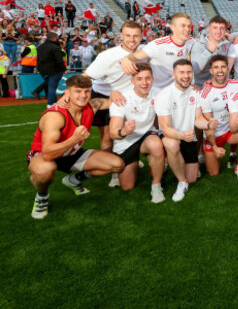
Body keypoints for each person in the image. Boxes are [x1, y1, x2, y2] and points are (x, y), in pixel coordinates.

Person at [27, 75, 125, 219]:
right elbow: (47, 154)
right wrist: (74, 139)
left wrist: (114, 93)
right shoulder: (55, 116)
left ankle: (74, 180)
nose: (83, 96)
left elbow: (112, 101)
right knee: (44, 171)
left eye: (87, 91)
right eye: (77, 91)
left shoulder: (91, 106)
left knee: (118, 165)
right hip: (45, 155)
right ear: (67, 92)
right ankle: (42, 196)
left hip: (72, 153)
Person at [84, 21, 144, 186]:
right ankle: (113, 170)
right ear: (121, 36)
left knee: (130, 132)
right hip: (105, 97)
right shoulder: (107, 56)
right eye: (128, 36)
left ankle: (129, 158)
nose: (132, 39)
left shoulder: (144, 53)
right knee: (108, 137)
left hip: (128, 98)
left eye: (136, 36)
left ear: (141, 36)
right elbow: (86, 77)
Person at [154, 59, 218, 202]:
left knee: (193, 179)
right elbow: (165, 129)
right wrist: (181, 135)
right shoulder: (164, 95)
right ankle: (181, 181)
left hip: (188, 138)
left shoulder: (195, 93)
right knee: (172, 144)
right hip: (172, 137)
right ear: (173, 74)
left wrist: (208, 124)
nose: (186, 75)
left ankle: (175, 165)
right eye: (181, 72)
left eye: (189, 72)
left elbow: (198, 119)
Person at [108, 63, 165, 202]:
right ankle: (131, 163)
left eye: (148, 78)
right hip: (126, 141)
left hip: (147, 136)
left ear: (153, 79)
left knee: (157, 146)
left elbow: (179, 90)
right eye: (139, 79)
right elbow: (113, 133)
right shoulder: (121, 99)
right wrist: (124, 130)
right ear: (132, 81)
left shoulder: (158, 93)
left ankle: (156, 186)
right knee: (127, 186)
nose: (144, 83)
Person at [199, 55, 238, 180]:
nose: (220, 70)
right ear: (211, 71)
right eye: (216, 67)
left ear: (228, 69)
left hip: (232, 131)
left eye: (223, 67)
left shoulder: (237, 84)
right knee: (213, 173)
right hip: (216, 134)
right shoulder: (205, 94)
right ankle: (205, 152)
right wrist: (214, 146)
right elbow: (208, 126)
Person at [121, 13, 195, 94]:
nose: (187, 29)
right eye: (183, 26)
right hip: (157, 91)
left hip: (177, 91)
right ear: (172, 28)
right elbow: (133, 57)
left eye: (189, 26)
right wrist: (126, 59)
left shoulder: (191, 41)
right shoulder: (158, 45)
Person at [191, 15, 231, 86]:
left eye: (222, 28)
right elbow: (195, 70)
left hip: (221, 86)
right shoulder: (199, 45)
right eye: (215, 28)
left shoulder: (226, 42)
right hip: (202, 88)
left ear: (225, 30)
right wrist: (208, 51)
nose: (219, 32)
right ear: (209, 28)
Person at [35, 32, 66, 107]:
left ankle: (54, 102)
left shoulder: (40, 47)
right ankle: (50, 104)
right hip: (55, 70)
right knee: (52, 87)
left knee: (50, 86)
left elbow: (38, 60)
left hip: (43, 70)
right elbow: (59, 60)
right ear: (54, 38)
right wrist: (64, 69)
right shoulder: (55, 48)